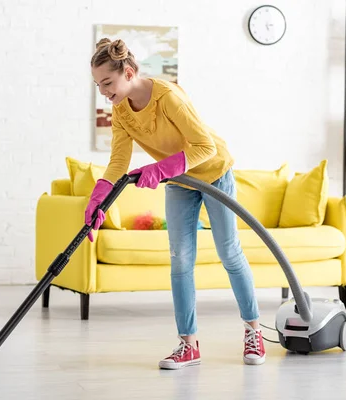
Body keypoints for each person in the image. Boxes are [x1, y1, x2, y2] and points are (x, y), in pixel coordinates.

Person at [86, 38, 265, 368]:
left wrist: (160, 168)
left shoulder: (168, 97)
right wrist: (99, 198)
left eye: (107, 83)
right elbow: (118, 162)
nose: (103, 91)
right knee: (180, 259)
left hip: (214, 173)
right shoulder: (121, 111)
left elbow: (204, 147)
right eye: (99, 85)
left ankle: (254, 333)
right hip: (181, 181)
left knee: (228, 250)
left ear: (128, 72)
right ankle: (188, 344)